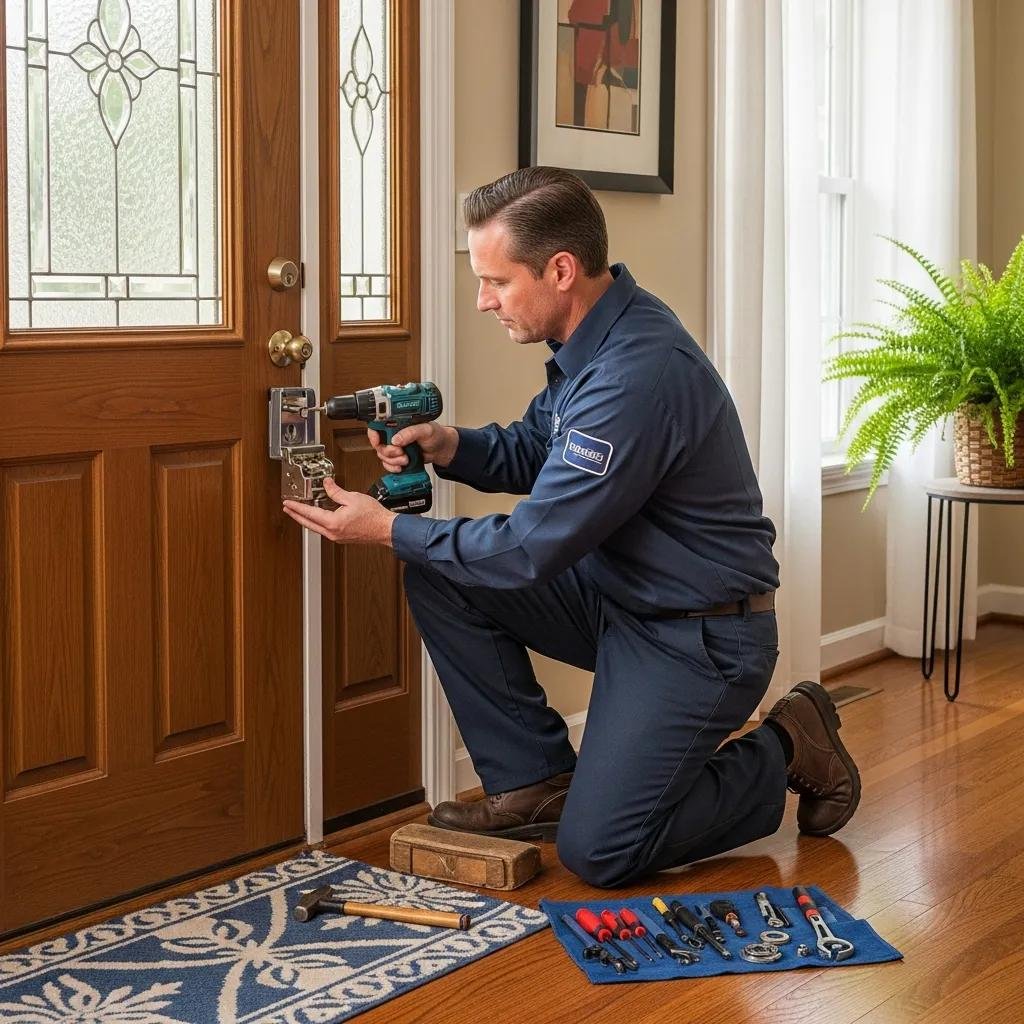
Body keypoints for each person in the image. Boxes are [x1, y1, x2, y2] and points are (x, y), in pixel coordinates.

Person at [283, 166, 861, 888]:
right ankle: (535, 783)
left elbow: (531, 549)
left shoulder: (637, 373)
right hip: (623, 601)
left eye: (496, 281)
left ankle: (786, 744)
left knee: (602, 853)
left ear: (560, 270)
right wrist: (447, 443)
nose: (482, 299)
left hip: (700, 638)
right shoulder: (593, 340)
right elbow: (538, 447)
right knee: (443, 573)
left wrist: (385, 530)